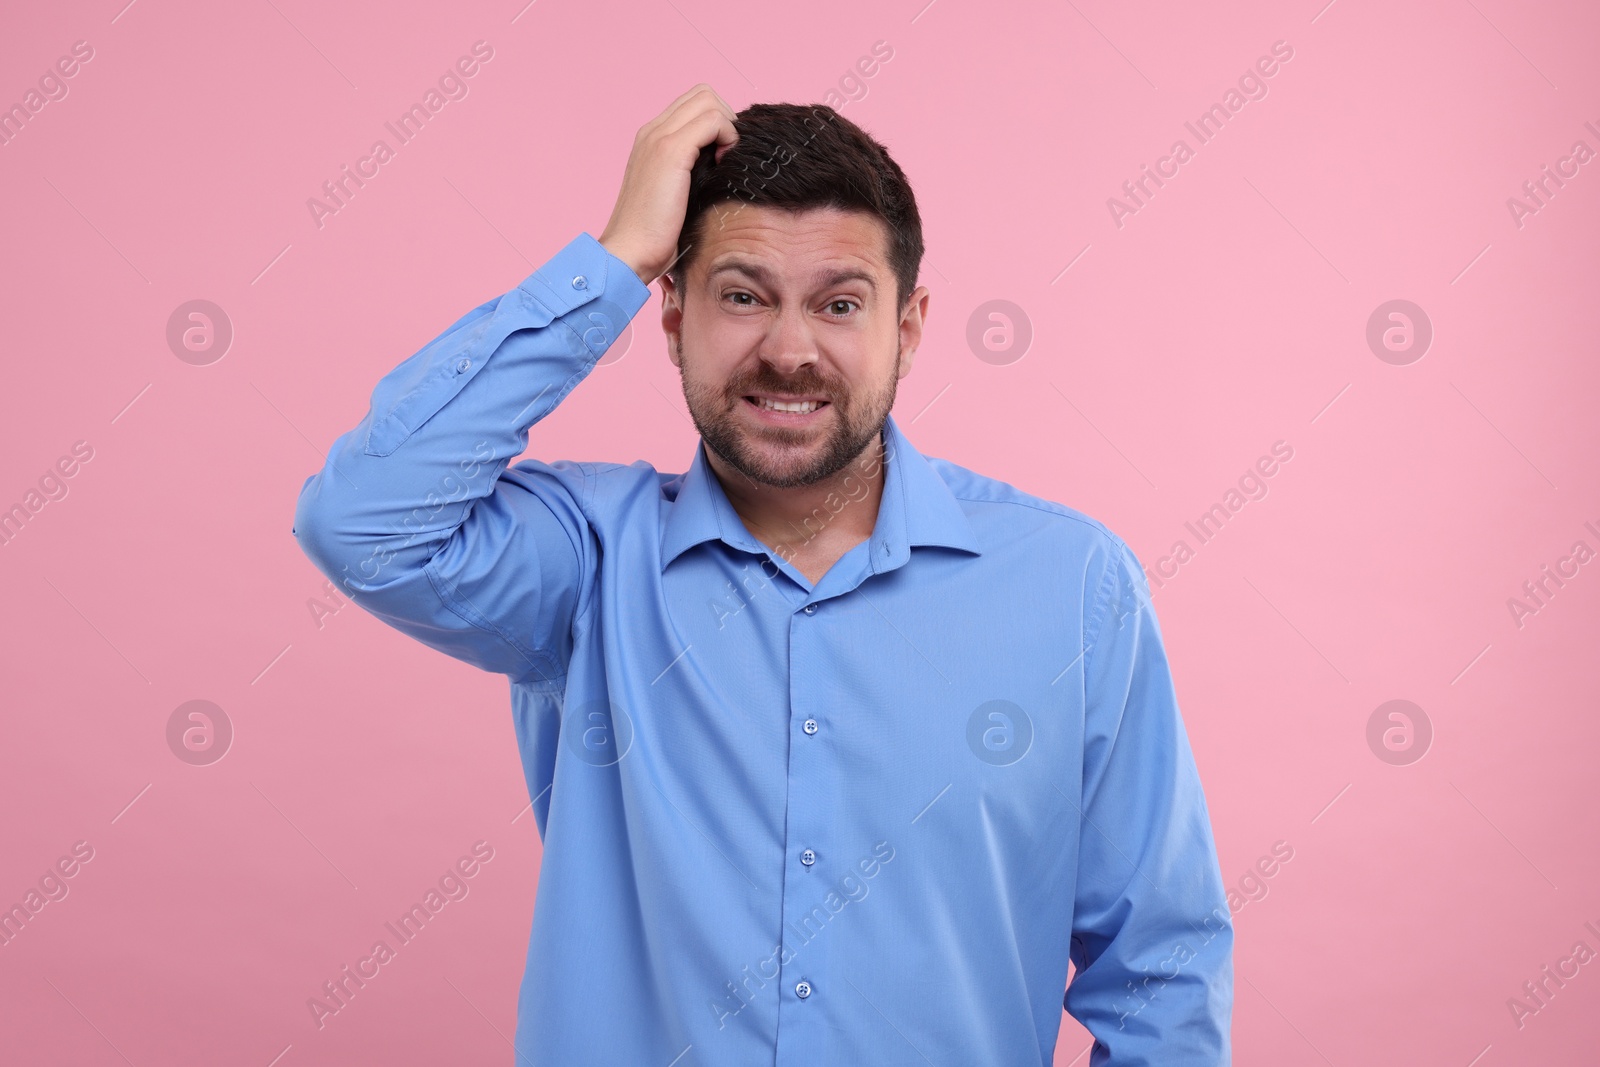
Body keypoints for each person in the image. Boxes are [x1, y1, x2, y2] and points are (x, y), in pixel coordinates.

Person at [292, 83, 1233, 1066]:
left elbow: (1160, 964)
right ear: (669, 313)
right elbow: (360, 521)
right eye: (741, 295)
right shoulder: (582, 563)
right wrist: (614, 257)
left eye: (839, 304)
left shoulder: (1072, 583)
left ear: (908, 328)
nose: (789, 351)